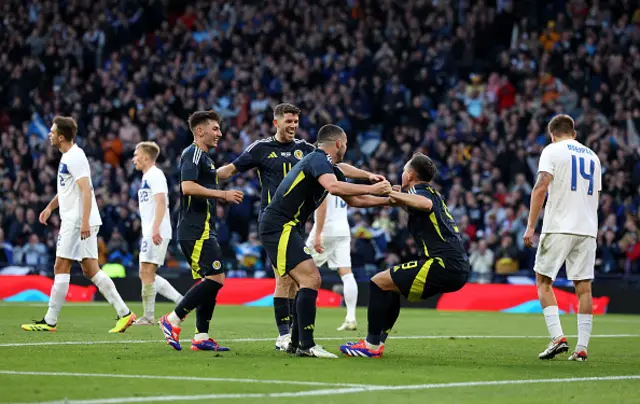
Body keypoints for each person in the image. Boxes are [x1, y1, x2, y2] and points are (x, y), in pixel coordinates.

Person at [216, 103, 384, 351]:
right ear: (276, 123)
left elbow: (337, 168)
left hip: (296, 221)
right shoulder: (261, 148)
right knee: (285, 279)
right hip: (276, 219)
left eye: (296, 121)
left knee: (296, 281)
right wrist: (207, 176)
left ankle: (295, 337)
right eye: (288, 121)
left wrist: (366, 175)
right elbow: (229, 170)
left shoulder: (306, 150)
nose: (293, 125)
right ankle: (286, 336)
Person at [259, 124, 392, 358]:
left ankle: (298, 343)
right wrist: (374, 186)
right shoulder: (318, 159)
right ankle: (305, 344)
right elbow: (333, 186)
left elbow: (355, 200)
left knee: (305, 281)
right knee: (310, 277)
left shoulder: (325, 164)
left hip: (287, 226)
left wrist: (387, 200)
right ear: (338, 143)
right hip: (279, 225)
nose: (347, 148)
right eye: (346, 143)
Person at [339, 153, 470, 358]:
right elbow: (360, 201)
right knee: (389, 286)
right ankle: (376, 343)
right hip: (454, 265)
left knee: (377, 282)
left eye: (403, 172)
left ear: (409, 175)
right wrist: (340, 189)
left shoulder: (422, 195)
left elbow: (424, 205)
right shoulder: (426, 194)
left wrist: (392, 192)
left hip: (442, 264)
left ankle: (371, 345)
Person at [21, 116, 136, 332]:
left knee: (60, 266)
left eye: (52, 132)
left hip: (76, 220)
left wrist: (83, 222)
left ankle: (50, 321)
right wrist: (49, 207)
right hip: (80, 218)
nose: (49, 135)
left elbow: (86, 189)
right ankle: (125, 313)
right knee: (91, 269)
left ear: (61, 136)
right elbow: (68, 190)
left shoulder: (74, 157)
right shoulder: (69, 156)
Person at [159, 110, 244, 352]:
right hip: (195, 230)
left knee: (208, 280)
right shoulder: (193, 153)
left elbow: (217, 175)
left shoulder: (205, 159)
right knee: (216, 279)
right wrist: (223, 194)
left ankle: (201, 336)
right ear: (200, 131)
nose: (220, 133)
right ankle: (172, 319)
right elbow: (187, 187)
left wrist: (247, 162)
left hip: (204, 228)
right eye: (215, 129)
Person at [523, 114, 602, 362]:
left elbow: (541, 186)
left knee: (543, 281)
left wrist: (530, 226)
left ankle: (558, 338)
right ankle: (582, 348)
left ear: (552, 134)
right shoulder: (593, 156)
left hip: (559, 226)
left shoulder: (552, 150)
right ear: (574, 133)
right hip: (587, 228)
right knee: (584, 288)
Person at [131, 141, 183, 325]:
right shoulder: (147, 177)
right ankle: (180, 302)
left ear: (146, 157)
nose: (134, 159)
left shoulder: (155, 174)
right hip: (151, 230)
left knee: (147, 271)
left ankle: (149, 316)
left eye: (136, 155)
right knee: (146, 273)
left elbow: (161, 201)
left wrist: (155, 228)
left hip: (157, 230)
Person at [306, 193, 358, 331]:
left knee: (300, 268)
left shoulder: (323, 175)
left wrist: (317, 234)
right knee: (347, 273)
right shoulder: (341, 179)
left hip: (325, 230)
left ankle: (295, 315)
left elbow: (322, 206)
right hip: (342, 230)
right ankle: (351, 318)